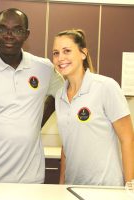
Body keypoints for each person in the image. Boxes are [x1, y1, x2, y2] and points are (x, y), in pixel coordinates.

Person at [0, 8, 64, 183]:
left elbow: (62, 93)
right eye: (2, 29)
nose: (9, 36)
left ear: (26, 34)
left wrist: (37, 122)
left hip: (32, 180)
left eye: (17, 30)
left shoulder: (44, 68)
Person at [52, 29, 134, 186]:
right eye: (56, 53)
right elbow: (67, 145)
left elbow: (128, 139)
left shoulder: (105, 87)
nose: (60, 58)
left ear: (83, 53)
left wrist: (130, 187)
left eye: (67, 51)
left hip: (105, 188)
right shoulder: (59, 95)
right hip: (73, 187)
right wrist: (62, 185)